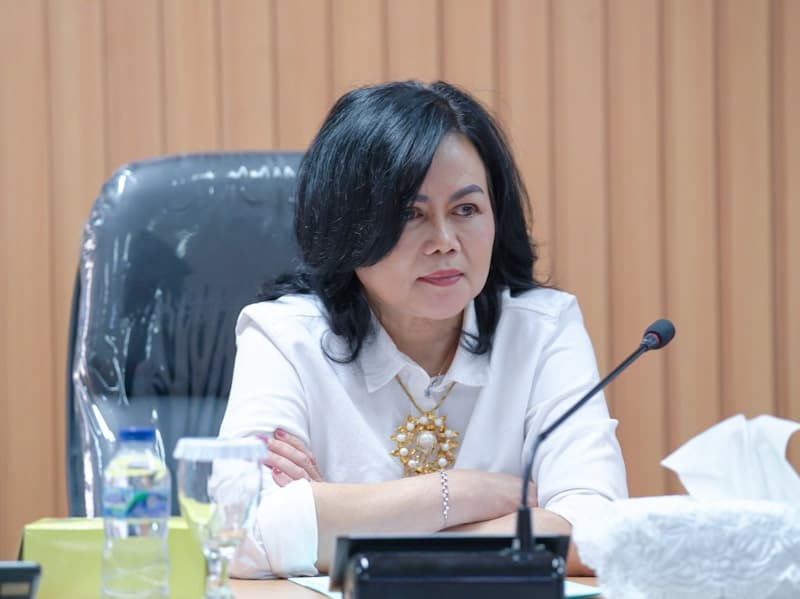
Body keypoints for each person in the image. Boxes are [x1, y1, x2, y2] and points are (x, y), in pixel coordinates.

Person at [218, 80, 628, 578]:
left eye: (466, 209)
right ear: (349, 225)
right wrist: (463, 493)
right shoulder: (285, 337)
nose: (445, 241)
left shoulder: (542, 330)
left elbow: (597, 531)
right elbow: (237, 532)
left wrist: (340, 523)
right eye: (410, 214)